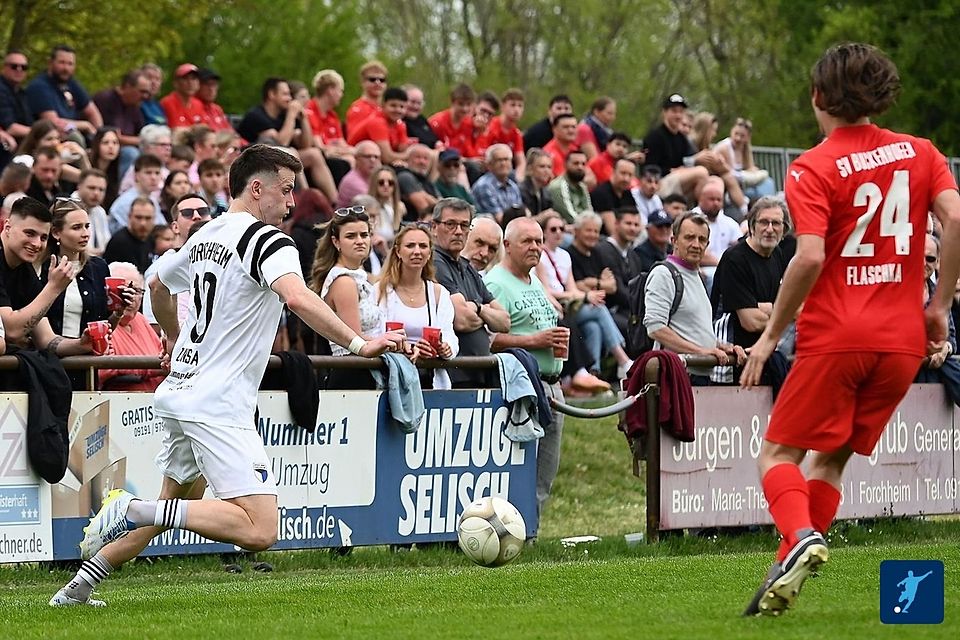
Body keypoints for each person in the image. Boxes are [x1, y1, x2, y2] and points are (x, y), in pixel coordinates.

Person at [53, 145, 401, 608]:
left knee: (174, 507)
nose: (292, 201)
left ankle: (77, 588)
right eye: (286, 189)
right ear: (257, 189)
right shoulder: (267, 240)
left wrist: (173, 340)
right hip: (218, 402)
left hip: (181, 389)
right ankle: (130, 508)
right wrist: (360, 344)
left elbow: (157, 285)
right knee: (259, 528)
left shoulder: (204, 234)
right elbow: (297, 299)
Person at [739, 43, 960, 617]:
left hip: (837, 335)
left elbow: (809, 256)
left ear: (818, 96)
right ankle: (787, 565)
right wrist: (938, 307)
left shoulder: (811, 165)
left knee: (775, 455)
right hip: (903, 342)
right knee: (831, 460)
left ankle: (802, 539)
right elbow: (956, 218)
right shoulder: (922, 153)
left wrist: (767, 337)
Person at [486, 217, 567, 515]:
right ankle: (517, 530)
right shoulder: (496, 282)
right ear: (507, 245)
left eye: (539, 241)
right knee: (522, 467)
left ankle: (531, 531)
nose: (535, 247)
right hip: (524, 386)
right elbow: (489, 340)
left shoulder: (533, 279)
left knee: (546, 470)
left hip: (553, 383)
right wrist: (534, 341)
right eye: (527, 241)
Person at [643, 211, 743, 383]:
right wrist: (702, 352)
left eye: (702, 239)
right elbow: (655, 328)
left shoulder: (696, 275)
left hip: (699, 375)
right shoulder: (663, 274)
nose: (696, 244)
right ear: (674, 241)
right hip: (676, 377)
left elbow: (692, 331)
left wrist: (722, 347)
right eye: (689, 238)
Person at [431, 197, 510, 389]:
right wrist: (486, 314)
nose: (458, 231)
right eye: (451, 224)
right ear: (434, 227)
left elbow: (505, 321)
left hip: (478, 372)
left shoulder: (468, 268)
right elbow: (462, 320)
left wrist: (477, 307)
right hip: (455, 375)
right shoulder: (435, 262)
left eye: (464, 225)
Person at [0, 196, 94, 355]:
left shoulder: (24, 268)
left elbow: (46, 339)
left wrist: (81, 344)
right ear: (7, 227)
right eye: (29, 233)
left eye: (43, 237)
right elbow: (12, 330)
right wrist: (53, 288)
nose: (37, 244)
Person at [711, 197, 790, 384]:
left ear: (784, 229)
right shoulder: (735, 259)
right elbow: (751, 322)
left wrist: (767, 308)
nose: (770, 229)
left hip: (764, 354)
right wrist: (781, 312)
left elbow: (795, 308)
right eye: (763, 222)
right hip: (732, 360)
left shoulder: (777, 254)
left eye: (776, 223)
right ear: (752, 226)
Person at [309, 205, 386, 389]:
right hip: (352, 373)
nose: (360, 241)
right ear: (336, 242)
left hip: (365, 369)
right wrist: (391, 342)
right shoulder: (343, 281)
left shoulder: (358, 275)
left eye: (364, 235)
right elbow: (354, 339)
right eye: (351, 236)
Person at [378, 224, 458, 389]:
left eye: (423, 246)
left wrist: (445, 349)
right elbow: (372, 334)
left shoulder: (439, 293)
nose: (417, 251)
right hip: (390, 377)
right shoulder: (380, 291)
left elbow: (449, 335)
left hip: (430, 380)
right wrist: (405, 348)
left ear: (429, 253)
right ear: (398, 252)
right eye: (410, 246)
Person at [97, 261, 166, 391]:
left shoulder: (140, 319)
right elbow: (105, 370)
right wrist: (155, 368)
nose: (130, 297)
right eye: (123, 290)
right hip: (122, 404)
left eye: (137, 291)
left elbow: (162, 354)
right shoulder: (100, 322)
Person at [368, 165, 405, 244]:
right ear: (374, 184)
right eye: (381, 182)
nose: (386, 185)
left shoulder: (399, 207)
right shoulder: (366, 208)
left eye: (390, 183)